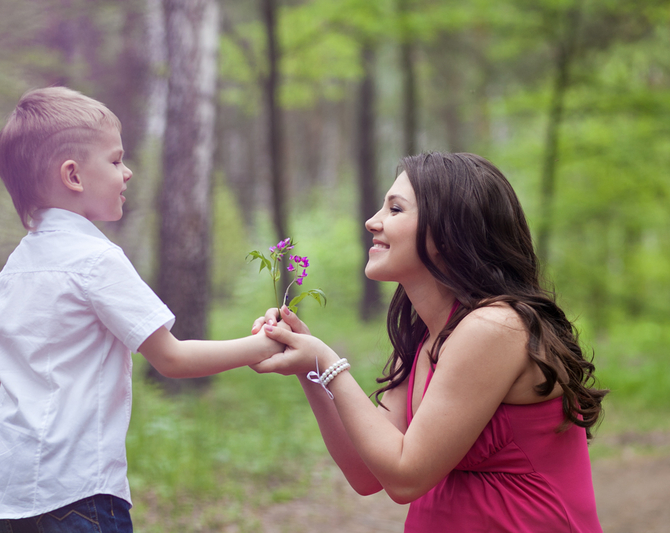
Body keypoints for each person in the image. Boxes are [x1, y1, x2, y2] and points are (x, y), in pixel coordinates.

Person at [0, 86, 282, 532]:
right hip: (79, 494)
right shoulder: (96, 260)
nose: (128, 172)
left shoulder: (11, 273)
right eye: (116, 160)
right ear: (73, 176)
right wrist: (262, 346)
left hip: (10, 497)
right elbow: (171, 358)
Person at [252, 152, 607, 532]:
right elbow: (366, 474)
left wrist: (328, 362)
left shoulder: (495, 327)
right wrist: (310, 366)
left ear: (448, 231)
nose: (372, 221)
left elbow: (406, 478)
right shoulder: (428, 336)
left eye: (395, 209)